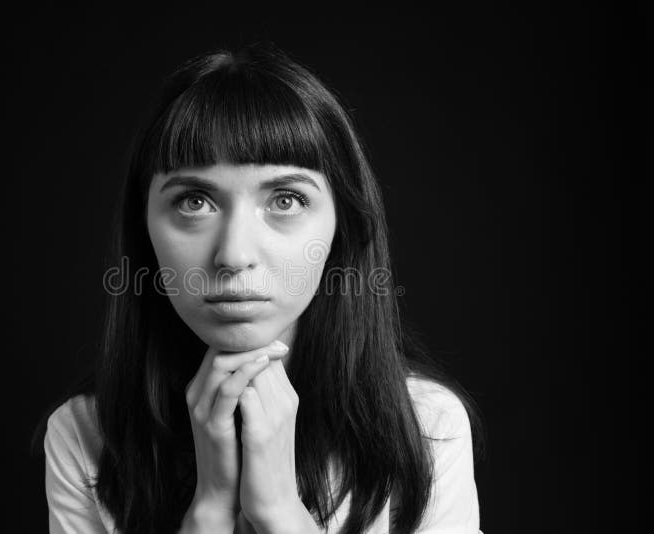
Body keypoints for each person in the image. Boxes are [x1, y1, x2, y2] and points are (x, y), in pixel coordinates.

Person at [36, 42, 484, 534]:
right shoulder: (83, 435)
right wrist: (209, 511)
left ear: (342, 229)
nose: (233, 254)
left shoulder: (427, 428)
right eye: (194, 201)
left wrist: (280, 513)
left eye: (286, 199)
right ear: (145, 231)